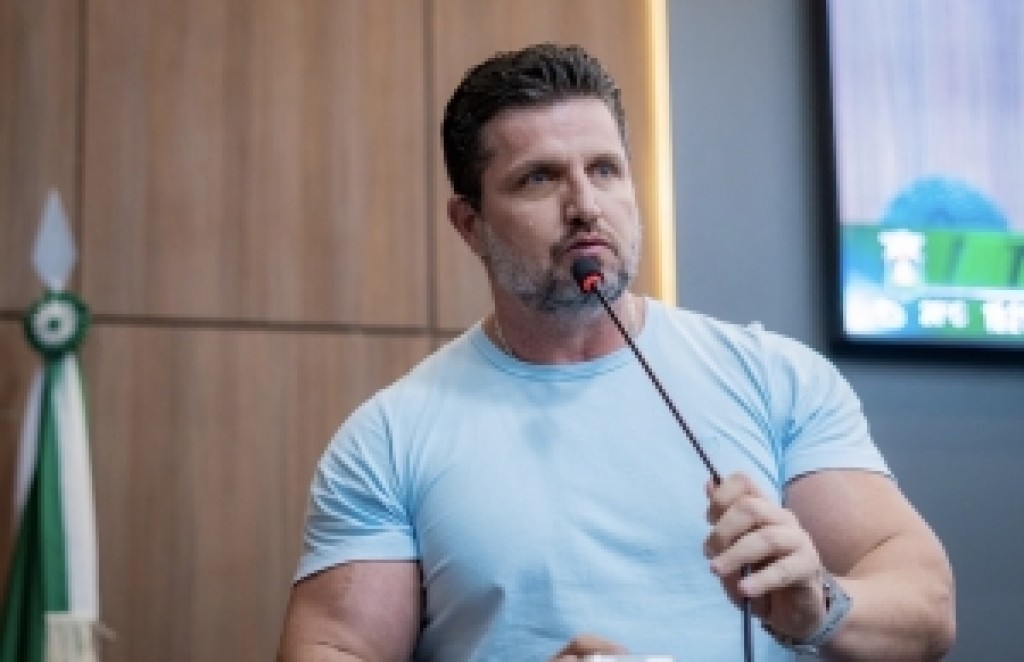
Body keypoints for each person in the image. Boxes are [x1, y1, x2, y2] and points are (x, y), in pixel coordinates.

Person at [276, 44, 955, 661]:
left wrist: (822, 609)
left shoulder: (777, 379)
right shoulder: (389, 438)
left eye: (604, 170)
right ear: (470, 225)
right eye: (539, 179)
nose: (585, 206)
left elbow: (927, 607)